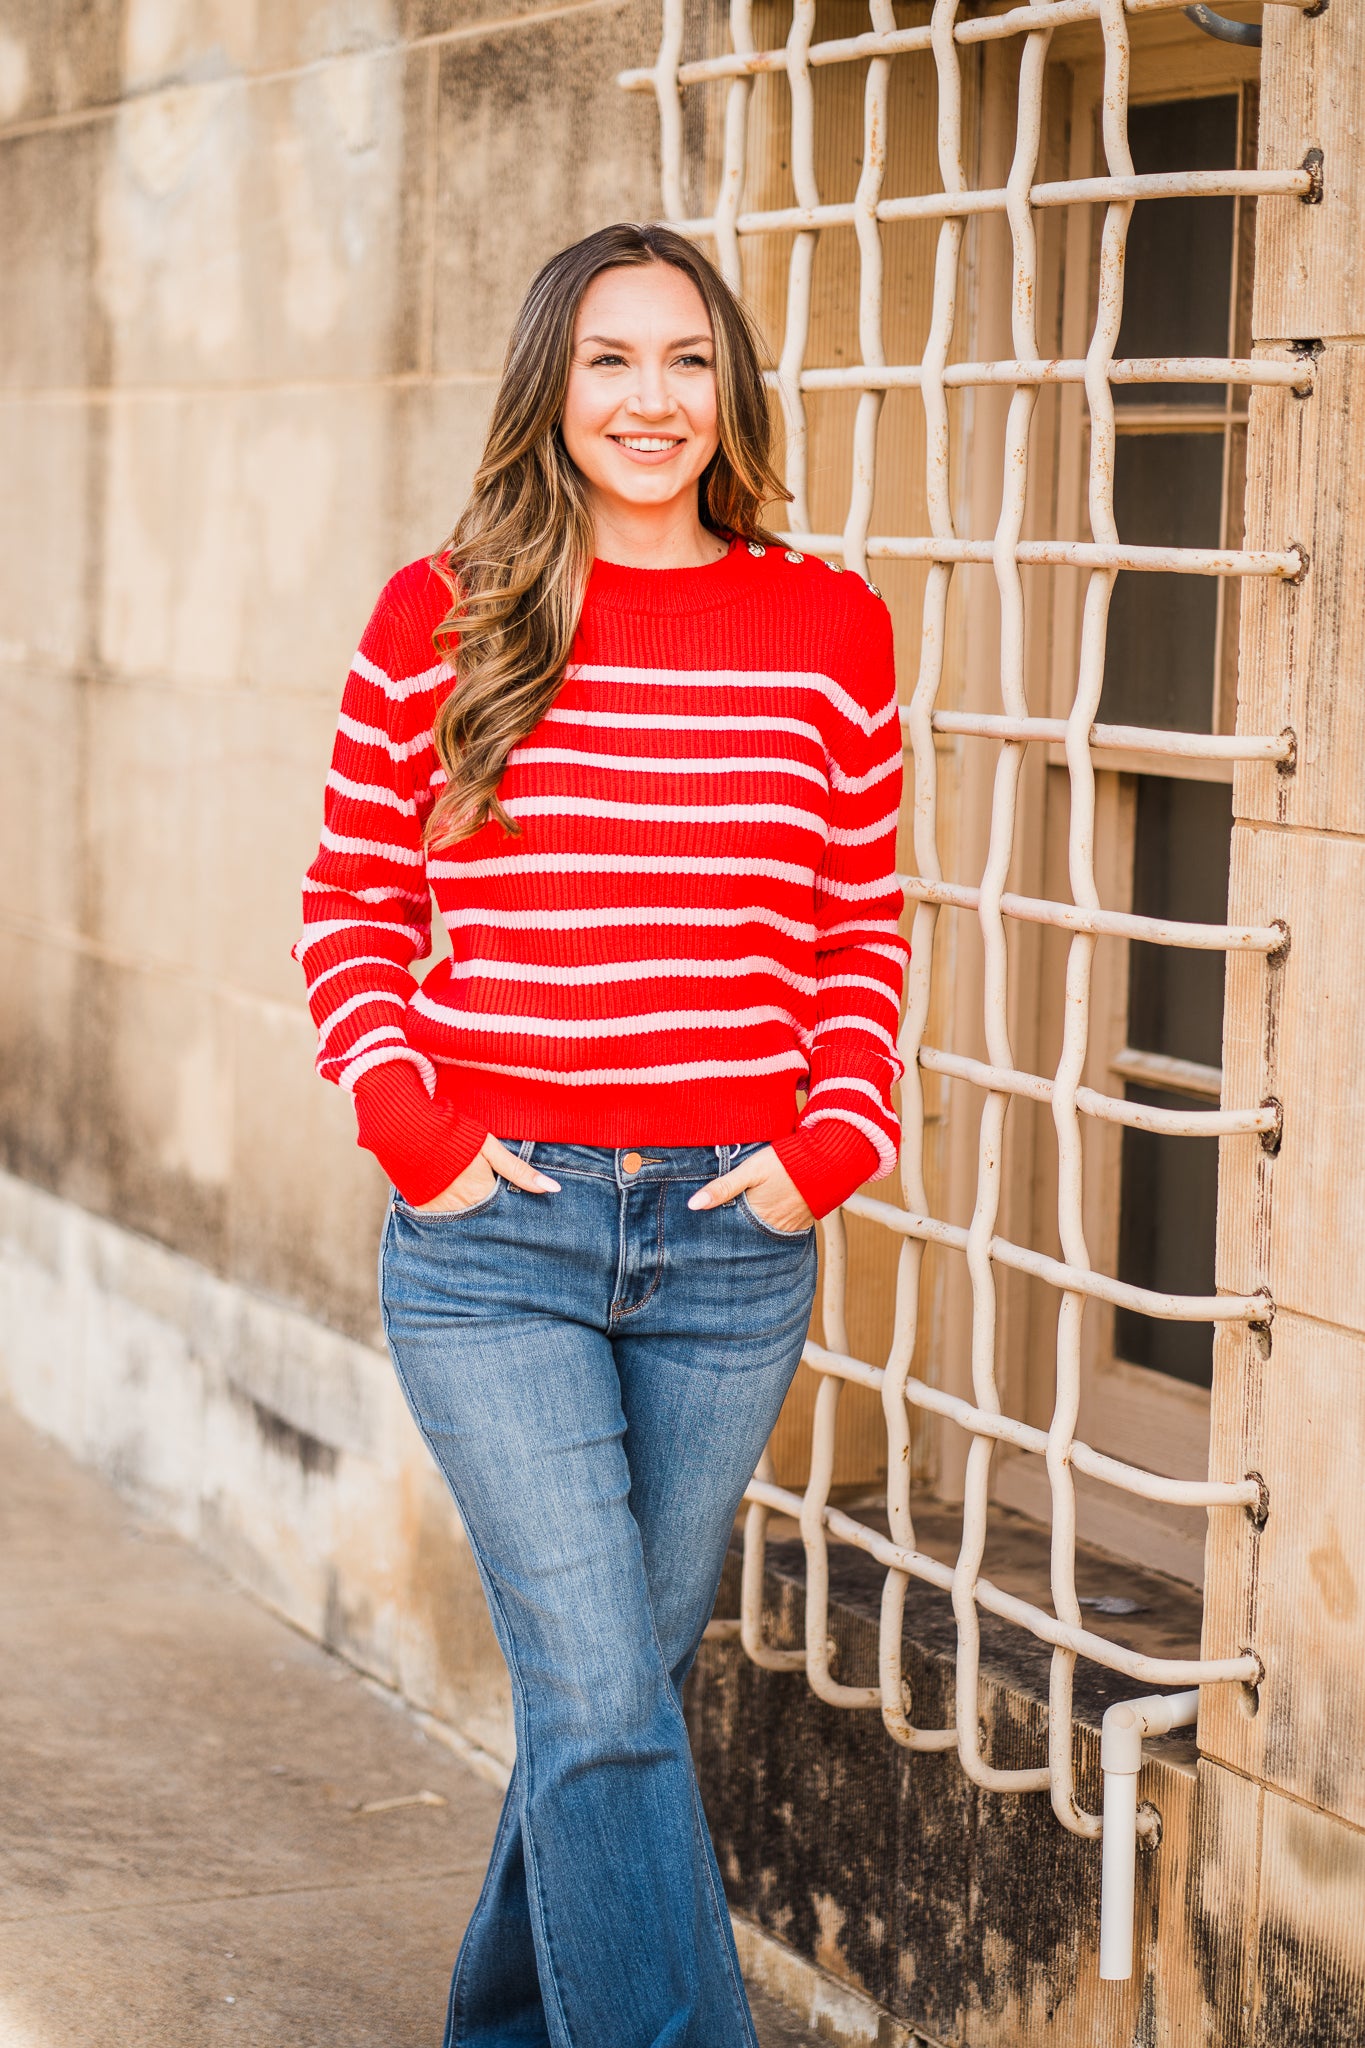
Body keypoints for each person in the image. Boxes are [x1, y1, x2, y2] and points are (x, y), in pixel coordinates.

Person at [295, 221, 907, 2048]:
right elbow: (347, 907)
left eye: (687, 361)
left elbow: (857, 925)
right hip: (497, 1237)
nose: (652, 401)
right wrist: (411, 1126)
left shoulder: (828, 627)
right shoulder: (449, 611)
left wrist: (830, 1140)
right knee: (607, 1695)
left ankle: (503, 2018)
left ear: (730, 390)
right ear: (552, 391)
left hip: (734, 1241)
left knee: (607, 1692)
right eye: (611, 363)